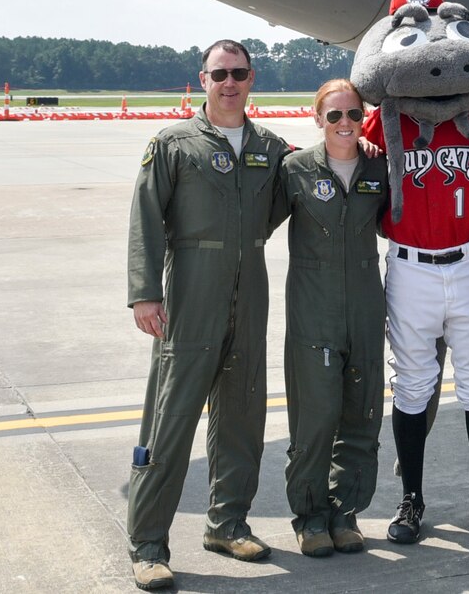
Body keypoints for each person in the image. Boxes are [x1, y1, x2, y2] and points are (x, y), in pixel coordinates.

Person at [353, 0, 469, 546]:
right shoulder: (383, 121)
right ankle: (412, 499)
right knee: (413, 385)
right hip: (410, 266)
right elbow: (352, 152)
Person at [125, 40, 290, 591]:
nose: (230, 82)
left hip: (252, 288)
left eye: (239, 73)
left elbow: (287, 203)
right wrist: (146, 293)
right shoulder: (173, 143)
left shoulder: (270, 146)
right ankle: (148, 544)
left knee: (242, 415)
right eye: (220, 73)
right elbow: (146, 217)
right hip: (192, 290)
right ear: (203, 79)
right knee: (171, 419)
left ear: (251, 78)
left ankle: (227, 524)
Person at [270, 79, 388, 558]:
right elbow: (253, 223)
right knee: (316, 419)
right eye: (334, 115)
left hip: (364, 303)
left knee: (361, 414)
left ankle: (346, 513)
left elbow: (412, 217)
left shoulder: (380, 168)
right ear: (318, 119)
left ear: (364, 119)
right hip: (313, 307)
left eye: (353, 115)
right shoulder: (295, 170)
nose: (345, 124)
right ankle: (311, 516)